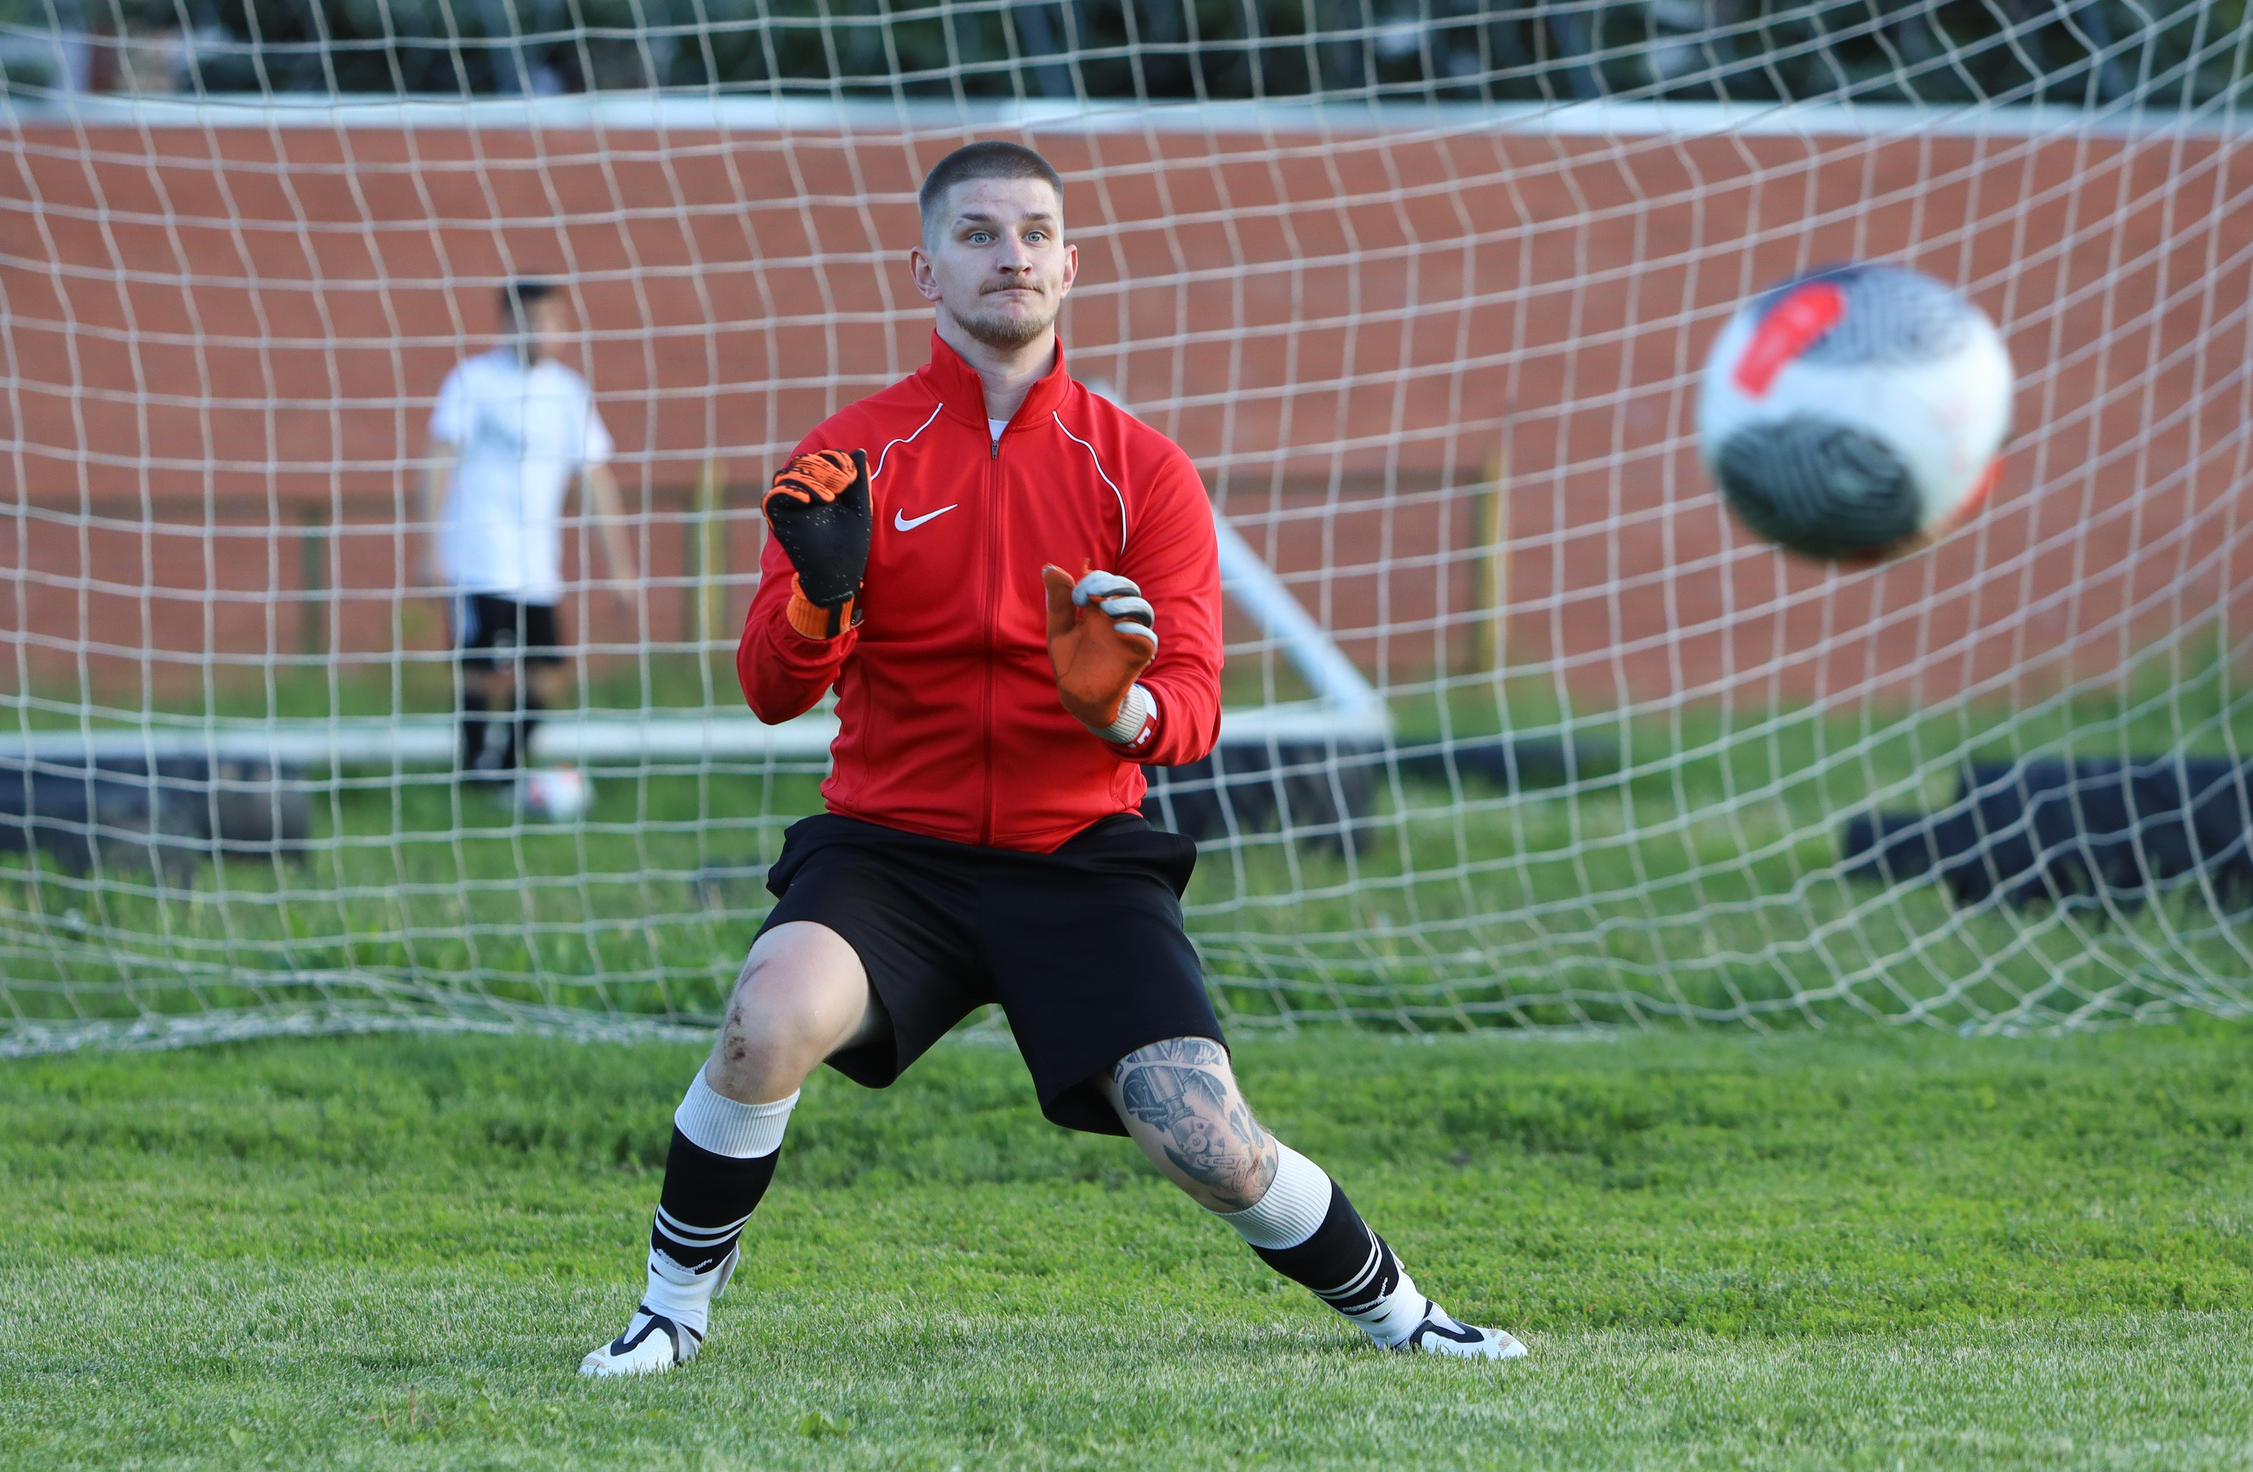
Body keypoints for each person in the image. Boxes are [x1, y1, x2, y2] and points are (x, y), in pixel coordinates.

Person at [581, 142, 1524, 1376]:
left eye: (1033, 233)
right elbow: (769, 691)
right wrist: (820, 597)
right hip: (889, 851)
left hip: (1079, 850)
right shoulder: (849, 459)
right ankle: (668, 1311)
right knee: (767, 1018)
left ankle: (1405, 1314)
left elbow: (1193, 706)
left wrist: (1113, 711)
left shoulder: (1140, 469)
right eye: (976, 234)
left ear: (1070, 265)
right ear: (925, 269)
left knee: (1205, 1137)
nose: (1009, 255)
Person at [420, 280, 637, 779]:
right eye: (533, 319)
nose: (544, 330)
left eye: (552, 320)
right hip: (478, 558)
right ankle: (475, 772)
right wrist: (430, 548)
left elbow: (595, 479)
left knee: (548, 672)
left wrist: (621, 567)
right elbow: (437, 461)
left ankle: (508, 768)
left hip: (538, 564)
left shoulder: (568, 392)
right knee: (482, 670)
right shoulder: (473, 381)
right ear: (508, 323)